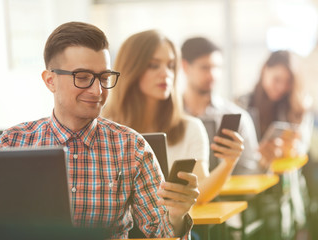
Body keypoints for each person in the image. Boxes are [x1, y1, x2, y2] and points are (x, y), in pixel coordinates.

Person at [0, 22, 199, 239]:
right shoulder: (11, 144)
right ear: (50, 80)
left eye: (104, 78)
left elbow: (161, 234)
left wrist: (176, 218)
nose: (97, 90)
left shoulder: (131, 147)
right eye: (82, 77)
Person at [102, 30, 244, 205]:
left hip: (174, 229)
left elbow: (200, 194)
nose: (166, 74)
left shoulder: (190, 127)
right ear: (131, 68)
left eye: (170, 66)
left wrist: (228, 164)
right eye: (154, 65)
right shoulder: (103, 127)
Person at [181, 37, 263, 174]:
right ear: (185, 67)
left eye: (217, 68)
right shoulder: (168, 114)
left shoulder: (238, 116)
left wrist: (232, 161)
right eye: (204, 68)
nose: (212, 75)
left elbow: (252, 171)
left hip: (228, 194)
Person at [236, 50, 313, 167]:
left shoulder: (298, 105)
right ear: (264, 71)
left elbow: (303, 148)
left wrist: (290, 149)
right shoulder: (242, 104)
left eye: (288, 82)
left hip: (287, 178)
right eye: (277, 79)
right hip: (252, 179)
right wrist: (258, 155)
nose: (281, 87)